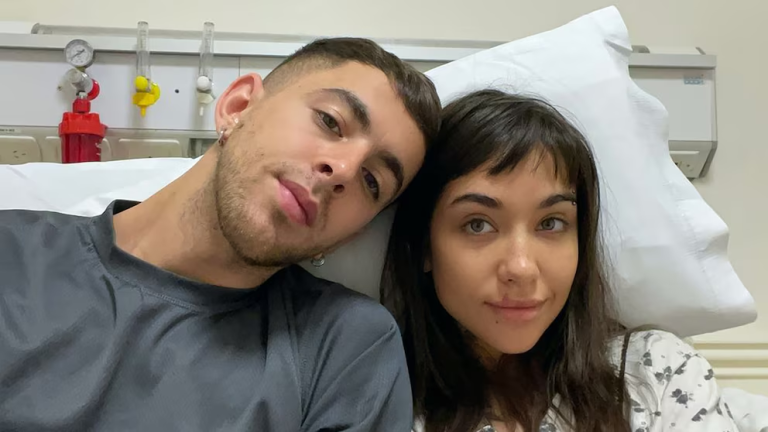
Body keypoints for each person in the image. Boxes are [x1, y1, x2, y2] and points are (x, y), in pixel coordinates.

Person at [0, 38, 441, 431]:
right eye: (330, 121)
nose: (342, 170)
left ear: (351, 235)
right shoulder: (12, 255)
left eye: (372, 182)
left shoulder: (346, 350)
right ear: (238, 106)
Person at [381, 89, 739, 432]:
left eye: (551, 223)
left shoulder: (659, 375)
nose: (522, 268)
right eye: (478, 225)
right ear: (424, 246)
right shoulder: (379, 401)